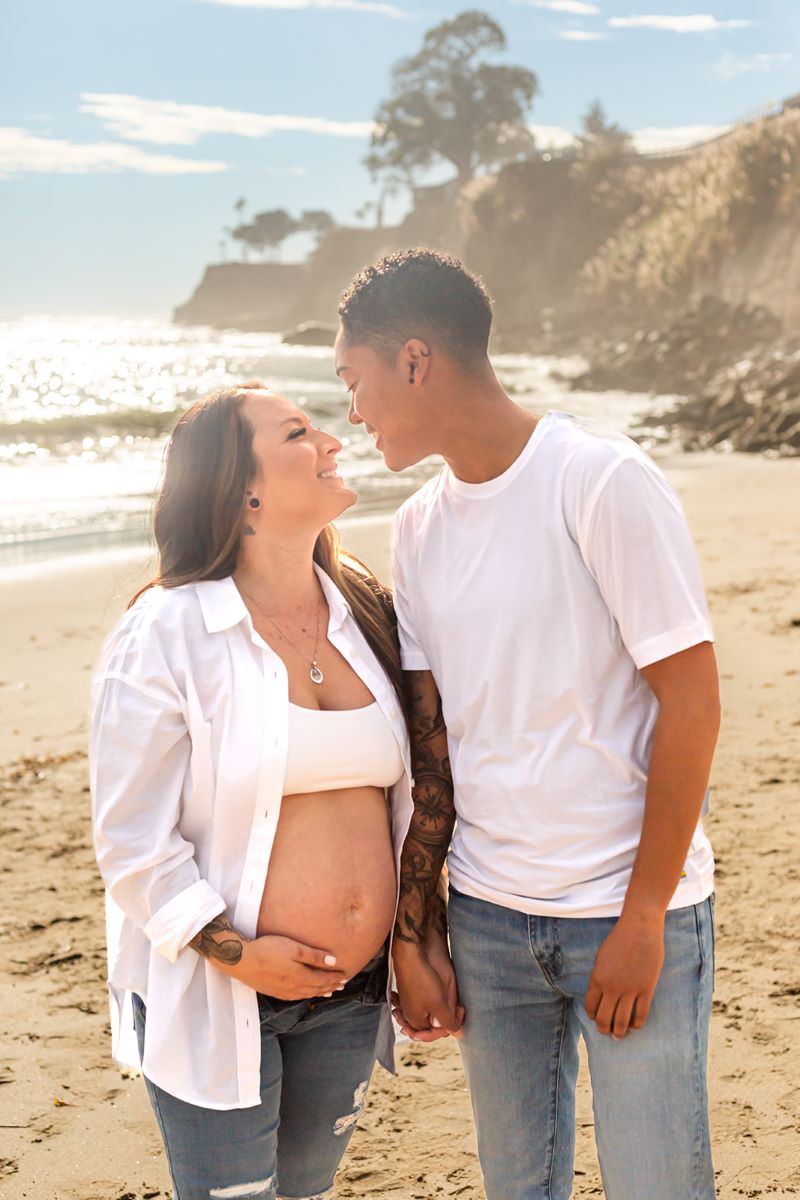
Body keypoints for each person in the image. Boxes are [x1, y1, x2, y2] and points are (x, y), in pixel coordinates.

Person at [334, 249, 721, 1200]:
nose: (352, 410)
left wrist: (641, 919)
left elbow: (694, 701)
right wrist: (419, 932)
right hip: (491, 923)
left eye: (355, 380)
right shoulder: (419, 528)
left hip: (624, 915)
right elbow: (434, 751)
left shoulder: (597, 481)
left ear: (414, 360)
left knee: (659, 1187)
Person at [89, 381, 420, 1200]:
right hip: (218, 995)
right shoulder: (166, 631)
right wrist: (239, 956)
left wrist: (416, 937)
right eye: (301, 432)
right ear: (244, 489)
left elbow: (414, 799)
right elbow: (131, 843)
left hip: (352, 993)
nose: (334, 441)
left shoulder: (367, 610)